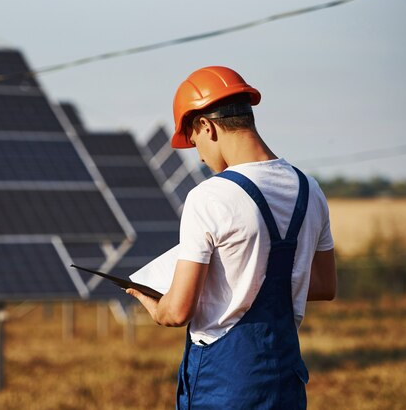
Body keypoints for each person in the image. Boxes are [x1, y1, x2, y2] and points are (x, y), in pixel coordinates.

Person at [126, 66, 337, 409]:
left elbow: (178, 312)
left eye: (195, 143)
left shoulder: (209, 196)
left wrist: (154, 305)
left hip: (225, 386)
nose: (200, 157)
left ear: (206, 126)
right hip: (286, 380)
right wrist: (245, 279)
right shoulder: (310, 190)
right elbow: (325, 285)